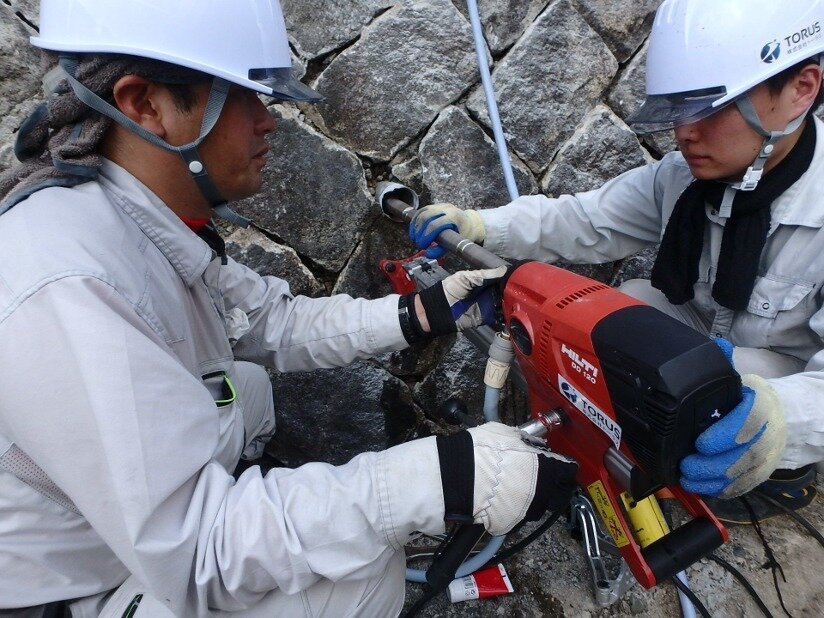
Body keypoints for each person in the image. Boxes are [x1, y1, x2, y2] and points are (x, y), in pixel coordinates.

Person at [0, 0, 579, 615]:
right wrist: (433, 477)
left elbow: (272, 321)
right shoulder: (68, 284)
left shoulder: (138, 216)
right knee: (360, 573)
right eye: (241, 95)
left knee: (245, 390)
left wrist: (420, 314)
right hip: (75, 583)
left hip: (110, 521)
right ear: (146, 105)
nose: (267, 120)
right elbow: (200, 552)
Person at [410, 0, 824, 523]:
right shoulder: (683, 180)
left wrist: (785, 421)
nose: (684, 133)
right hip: (707, 341)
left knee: (726, 400)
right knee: (624, 307)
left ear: (800, 91)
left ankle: (771, 473)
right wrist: (479, 225)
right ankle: (653, 453)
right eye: (678, 109)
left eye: (710, 108)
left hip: (779, 378)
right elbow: (584, 220)